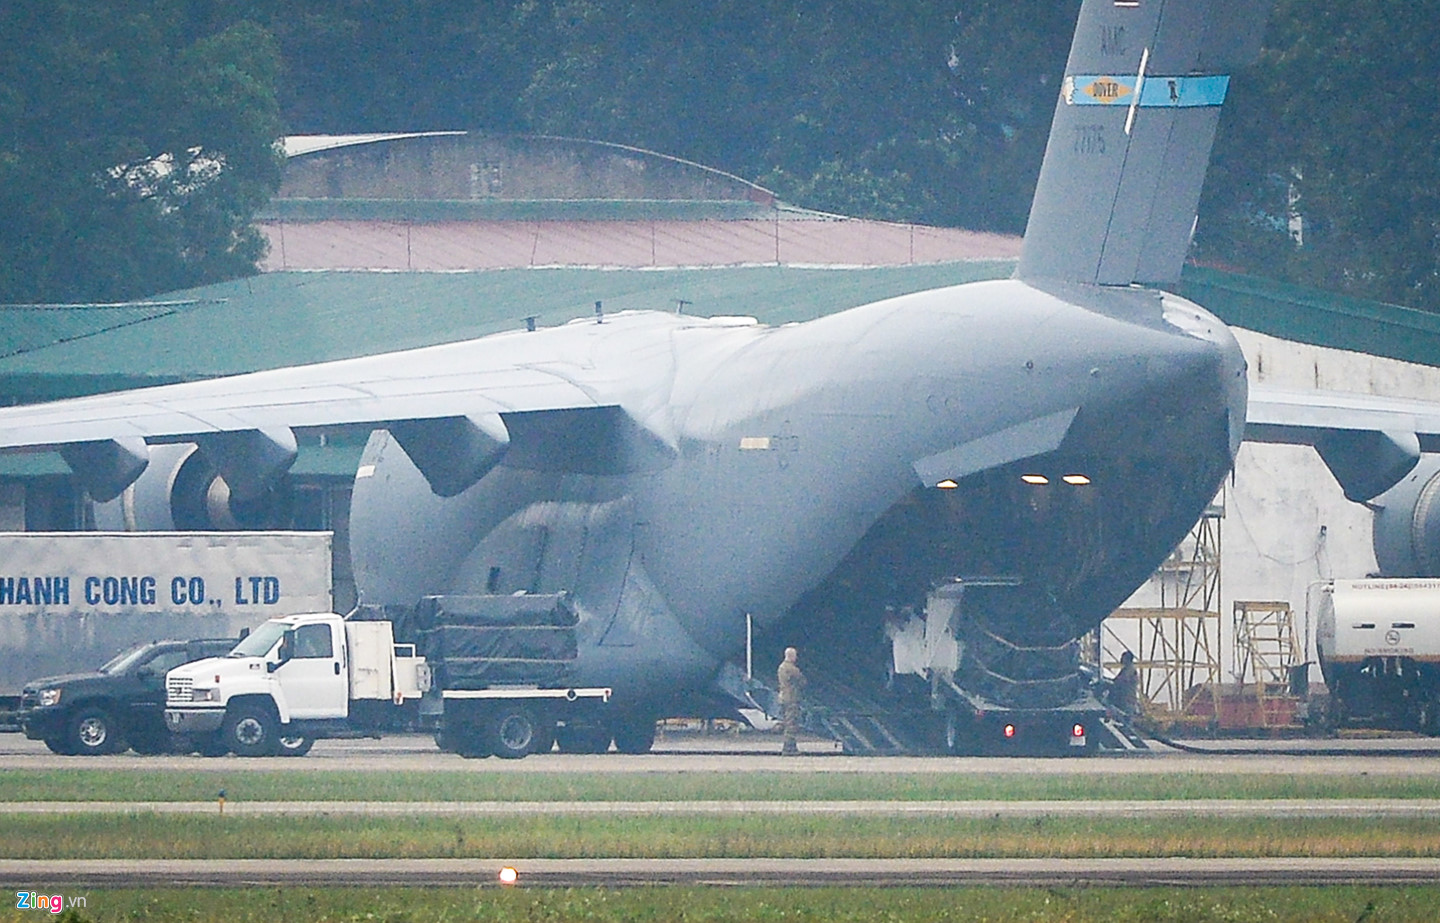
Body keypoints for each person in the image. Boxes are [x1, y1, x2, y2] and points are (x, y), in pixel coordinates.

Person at [777, 646, 807, 755]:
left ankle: (790, 747)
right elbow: (802, 681)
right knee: (791, 724)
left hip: (783, 697)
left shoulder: (781, 667)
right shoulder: (792, 669)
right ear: (792, 656)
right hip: (792, 698)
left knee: (787, 722)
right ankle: (789, 748)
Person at [1111, 650, 1139, 716]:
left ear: (1127, 659)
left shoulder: (1130, 669)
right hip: (1124, 698)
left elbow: (1122, 680)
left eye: (1123, 658)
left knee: (1126, 718)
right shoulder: (1125, 669)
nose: (1121, 659)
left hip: (1128, 699)